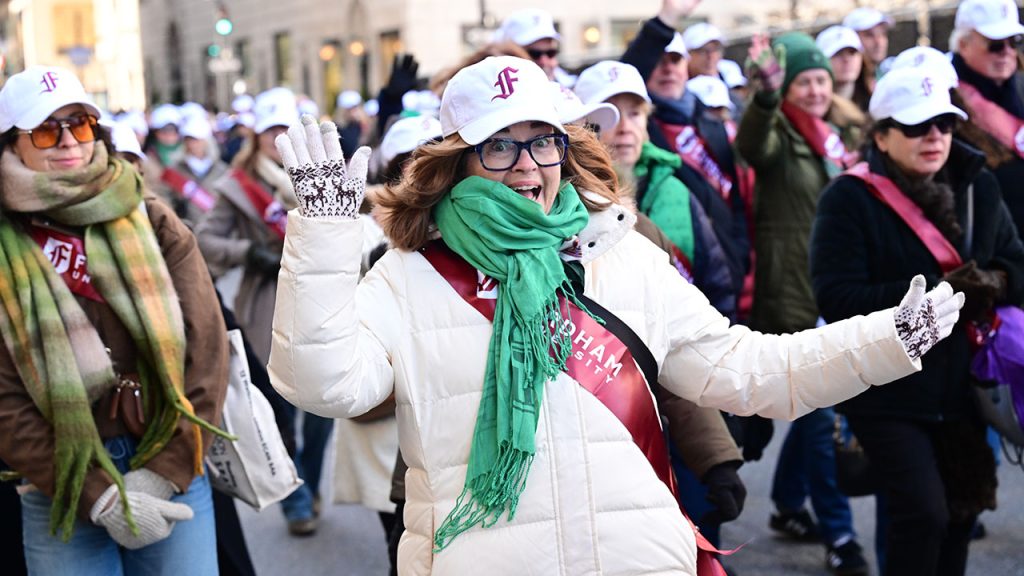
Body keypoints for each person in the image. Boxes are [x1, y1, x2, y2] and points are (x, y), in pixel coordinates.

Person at [267, 55, 962, 575]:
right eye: (499, 145)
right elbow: (326, 386)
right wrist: (324, 236)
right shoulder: (408, 276)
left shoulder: (620, 253)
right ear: (459, 161)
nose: (525, 165)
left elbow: (748, 370)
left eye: (543, 141)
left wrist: (886, 341)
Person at [0, 65, 228, 574]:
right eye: (44, 129)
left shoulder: (150, 217)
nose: (67, 142)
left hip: (168, 456)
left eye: (79, 124)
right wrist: (97, 496)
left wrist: (165, 472)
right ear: (12, 144)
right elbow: (4, 398)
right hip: (58, 476)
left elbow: (207, 351)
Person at [811, 66, 1024, 576]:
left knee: (959, 517)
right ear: (881, 135)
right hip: (887, 391)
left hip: (965, 387)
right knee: (922, 515)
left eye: (946, 124)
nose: (935, 136)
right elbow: (836, 297)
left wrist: (991, 282)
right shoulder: (848, 197)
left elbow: (1017, 265)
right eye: (917, 125)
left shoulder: (979, 185)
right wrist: (941, 293)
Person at [575, 60, 746, 552]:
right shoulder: (538, 223)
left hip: (677, 403)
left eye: (635, 112)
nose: (624, 127)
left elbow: (702, 308)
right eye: (605, 120)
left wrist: (719, 448)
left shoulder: (676, 193)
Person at [738, 32, 870, 575]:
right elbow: (751, 144)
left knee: (814, 412)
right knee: (820, 417)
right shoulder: (778, 134)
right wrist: (767, 97)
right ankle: (841, 533)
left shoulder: (843, 132)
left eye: (820, 79)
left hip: (835, 288)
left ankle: (789, 502)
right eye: (804, 81)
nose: (816, 90)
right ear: (787, 86)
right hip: (792, 296)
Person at [194, 86, 332, 537]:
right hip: (267, 303)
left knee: (323, 407)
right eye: (270, 130)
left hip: (321, 296)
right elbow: (204, 239)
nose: (278, 139)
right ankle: (294, 498)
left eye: (284, 129)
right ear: (255, 136)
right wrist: (248, 251)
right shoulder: (238, 186)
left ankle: (307, 479)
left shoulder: (318, 170)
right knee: (279, 404)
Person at [948, 0, 1024, 236]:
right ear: (964, 44)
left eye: (1014, 42)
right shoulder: (946, 99)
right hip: (990, 236)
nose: (1007, 52)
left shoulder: (1020, 85)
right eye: (995, 45)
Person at [159, 114, 227, 228]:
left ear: (206, 141)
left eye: (197, 140)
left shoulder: (221, 170)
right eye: (189, 140)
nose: (193, 144)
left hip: (216, 231)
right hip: (186, 230)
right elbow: (164, 200)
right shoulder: (174, 170)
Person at [496, 8, 573, 85]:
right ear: (509, 54)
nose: (544, 61)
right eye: (535, 54)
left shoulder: (570, 87)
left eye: (550, 53)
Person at [842, 7, 893, 110]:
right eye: (869, 35)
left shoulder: (888, 72)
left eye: (883, 34)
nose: (879, 42)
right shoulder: (844, 81)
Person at [816, 25, 865, 102]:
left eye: (852, 53)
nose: (847, 59)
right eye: (837, 54)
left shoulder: (873, 101)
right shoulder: (815, 108)